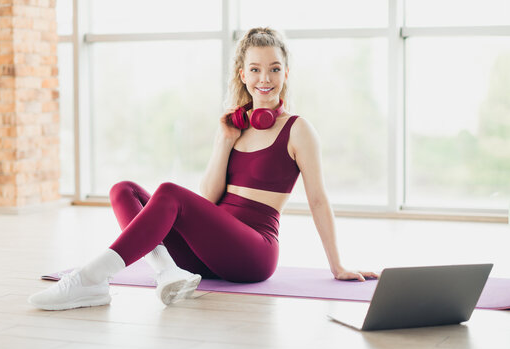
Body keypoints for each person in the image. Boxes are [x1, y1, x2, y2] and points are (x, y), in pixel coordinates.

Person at [28, 27, 378, 311]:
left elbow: (318, 200)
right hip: (209, 251)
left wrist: (337, 265)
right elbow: (209, 198)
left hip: (253, 253)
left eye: (274, 68)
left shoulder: (298, 129)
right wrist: (225, 140)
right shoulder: (233, 126)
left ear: (286, 73)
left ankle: (89, 278)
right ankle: (167, 272)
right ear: (243, 75)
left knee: (168, 192)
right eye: (255, 69)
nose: (265, 78)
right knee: (123, 190)